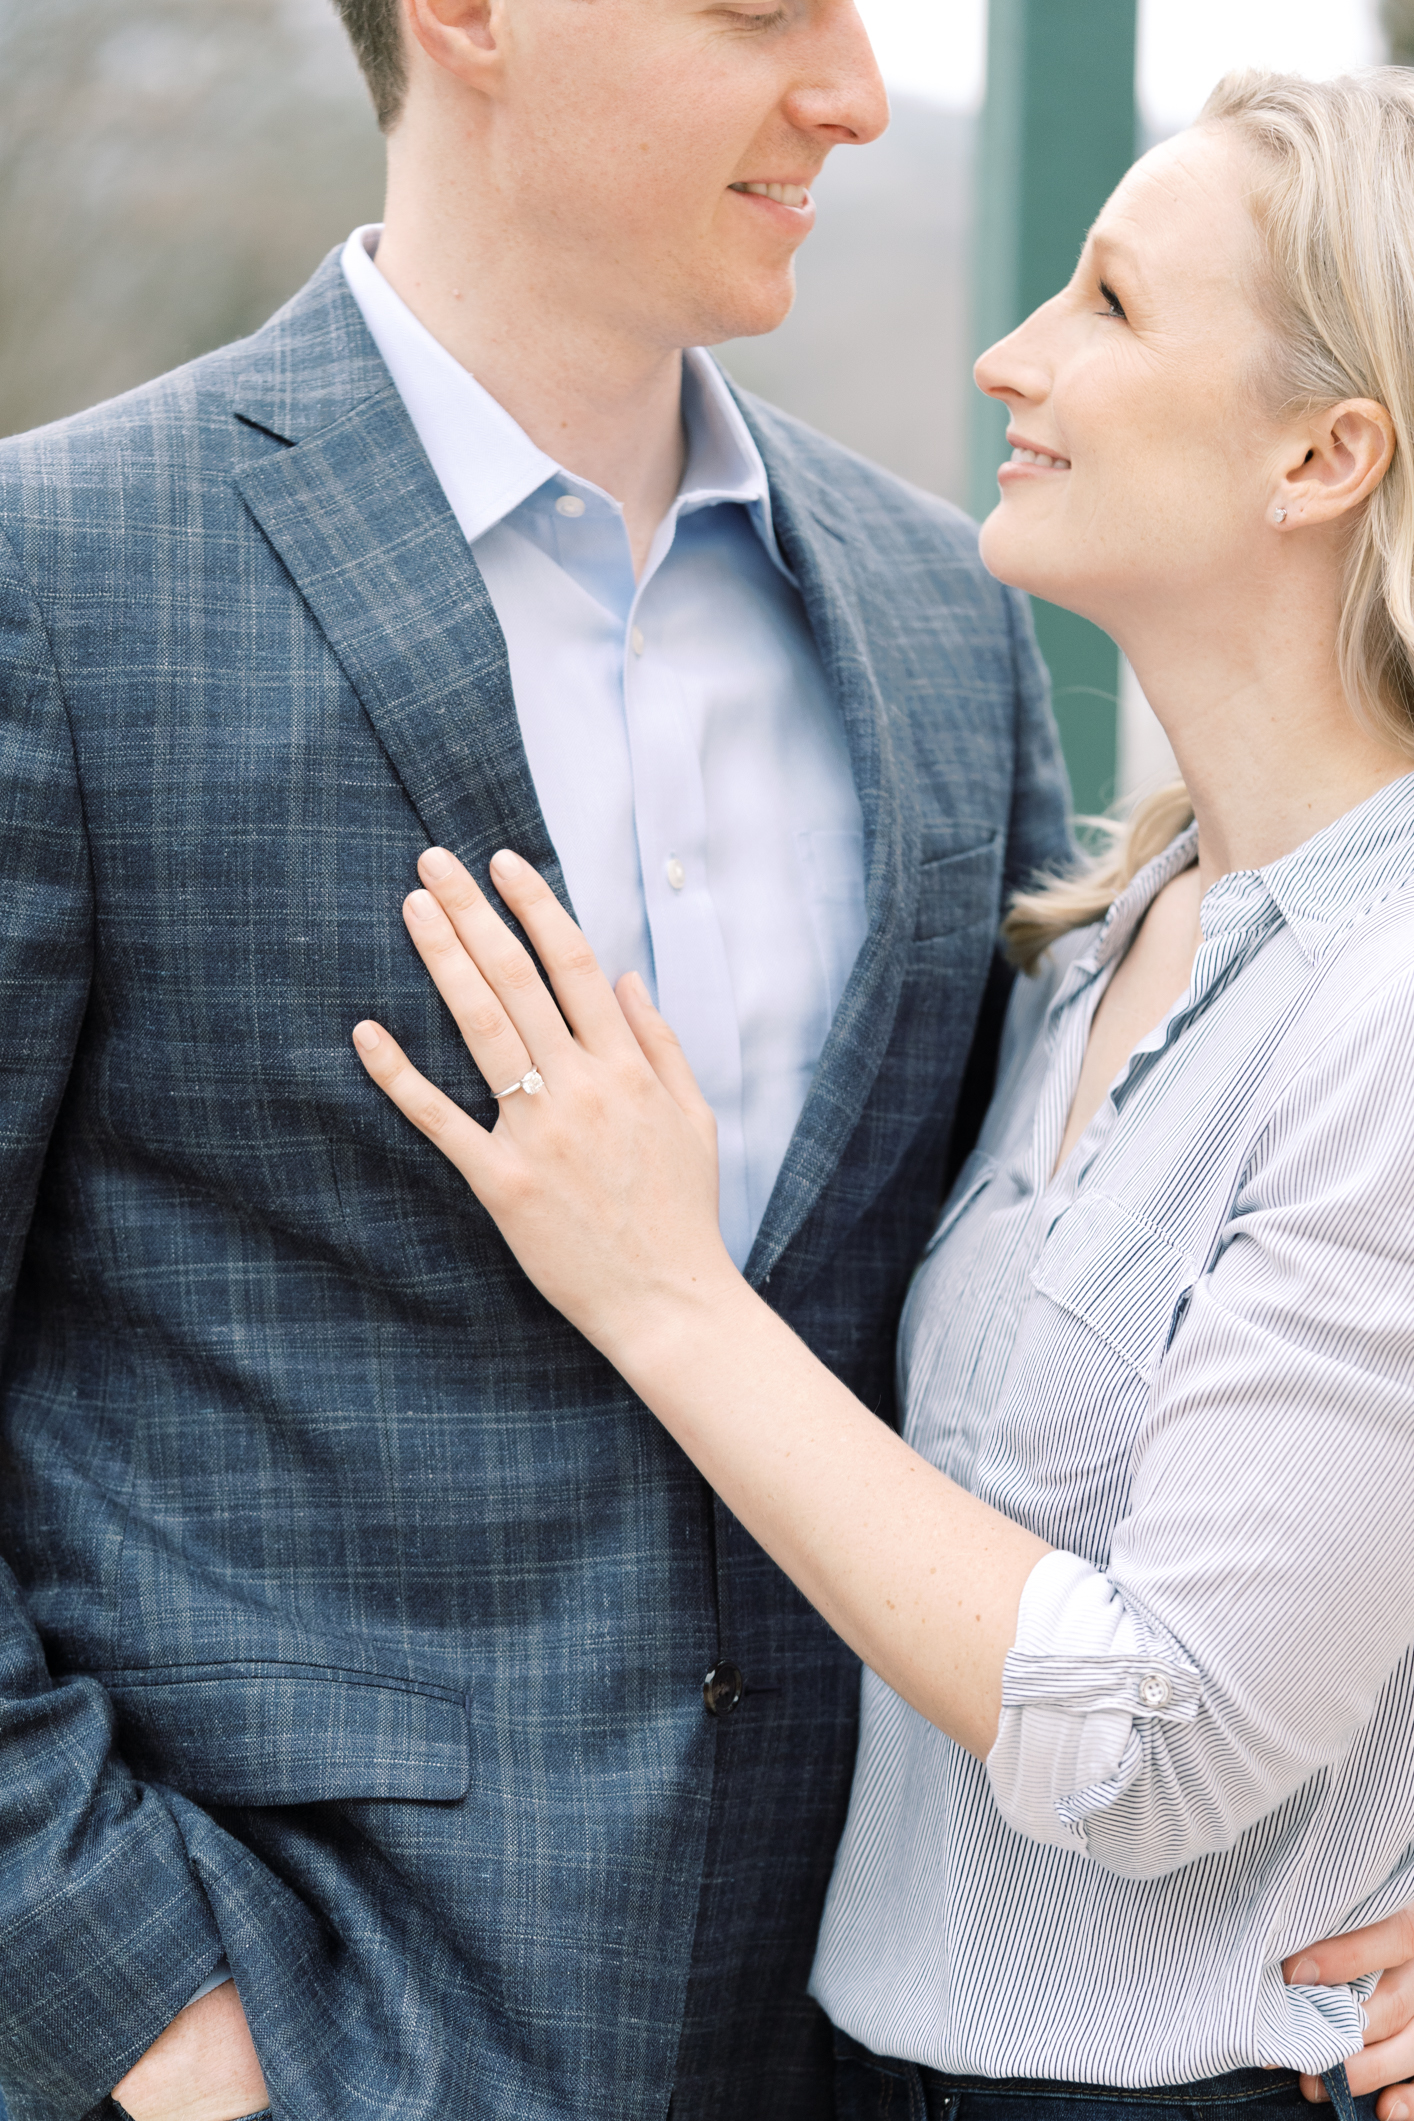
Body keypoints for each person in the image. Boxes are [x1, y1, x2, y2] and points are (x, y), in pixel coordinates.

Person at [0, 2, 1079, 2118]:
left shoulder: (952, 614)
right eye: (762, 10)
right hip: (297, 2022)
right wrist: (140, 2006)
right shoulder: (55, 582)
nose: (852, 92)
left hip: (884, 2043)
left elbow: (1107, 1342)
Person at [350, 64, 1414, 2121]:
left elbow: (1158, 1739)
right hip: (861, 2062)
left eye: (1107, 304)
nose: (1013, 352)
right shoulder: (1104, 937)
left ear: (1319, 453)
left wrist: (659, 1290)